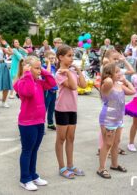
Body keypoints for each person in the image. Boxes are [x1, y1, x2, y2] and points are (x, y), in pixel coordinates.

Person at [13, 55, 56, 191]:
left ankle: (33, 174)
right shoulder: (21, 82)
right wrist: (27, 74)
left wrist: (42, 71)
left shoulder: (39, 82)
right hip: (27, 123)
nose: (40, 70)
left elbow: (52, 83)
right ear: (27, 69)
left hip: (39, 121)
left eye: (40, 68)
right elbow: (29, 92)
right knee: (27, 151)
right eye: (37, 68)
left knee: (35, 150)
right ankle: (24, 179)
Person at [97, 63, 135, 179]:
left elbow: (132, 91)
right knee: (107, 143)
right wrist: (107, 75)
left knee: (116, 142)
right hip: (108, 118)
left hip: (119, 118)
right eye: (117, 72)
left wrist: (125, 81)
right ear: (110, 74)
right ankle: (101, 168)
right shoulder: (107, 85)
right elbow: (108, 81)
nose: (120, 73)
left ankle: (114, 164)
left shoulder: (119, 85)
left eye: (120, 71)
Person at [54, 45, 87, 179]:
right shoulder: (59, 73)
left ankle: (70, 165)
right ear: (61, 57)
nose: (72, 58)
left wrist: (78, 71)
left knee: (71, 138)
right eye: (69, 55)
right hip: (62, 109)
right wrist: (68, 72)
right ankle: (62, 167)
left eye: (72, 55)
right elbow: (73, 86)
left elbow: (83, 85)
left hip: (73, 109)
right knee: (61, 139)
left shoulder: (71, 71)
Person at [43, 51, 58, 130]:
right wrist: (48, 63)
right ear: (45, 59)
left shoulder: (54, 66)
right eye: (49, 58)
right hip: (47, 91)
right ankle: (41, 125)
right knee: (44, 108)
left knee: (52, 108)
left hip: (54, 90)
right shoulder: (44, 66)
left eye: (53, 58)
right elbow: (47, 74)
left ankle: (50, 123)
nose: (51, 60)